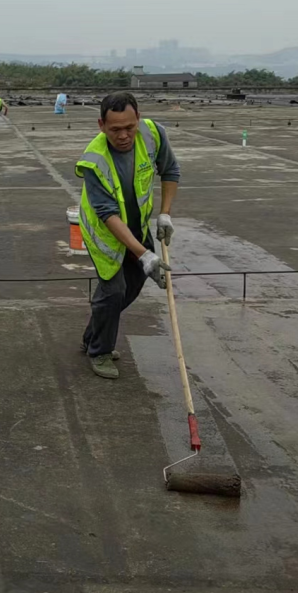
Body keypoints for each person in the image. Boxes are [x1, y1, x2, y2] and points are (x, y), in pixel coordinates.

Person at [76, 92, 180, 380]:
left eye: (129, 127)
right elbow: (107, 213)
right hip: (105, 233)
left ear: (138, 119)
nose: (123, 136)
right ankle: (99, 351)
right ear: (101, 125)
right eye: (115, 129)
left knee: (134, 284)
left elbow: (170, 170)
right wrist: (144, 254)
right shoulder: (94, 160)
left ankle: (93, 335)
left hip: (137, 225)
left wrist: (165, 214)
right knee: (113, 291)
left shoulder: (152, 134)